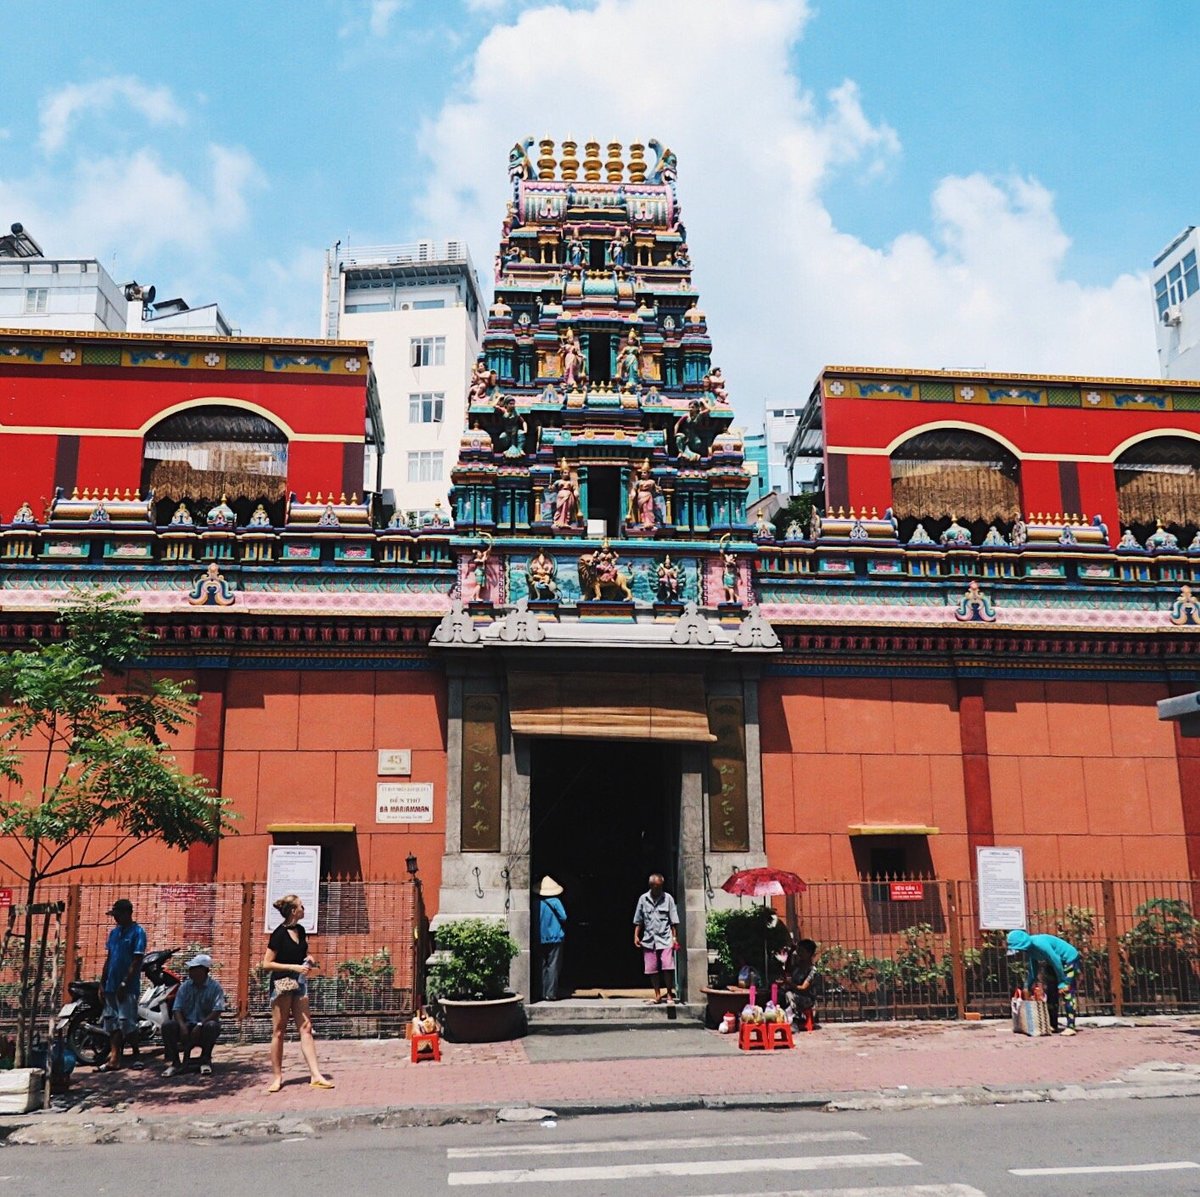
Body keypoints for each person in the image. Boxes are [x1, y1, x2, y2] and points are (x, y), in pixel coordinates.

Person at [264, 893, 334, 1092]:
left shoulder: (301, 930)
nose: (304, 909)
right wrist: (294, 967)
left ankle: (316, 1075)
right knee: (279, 1030)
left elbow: (302, 954)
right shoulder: (278, 934)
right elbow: (266, 963)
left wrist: (308, 959)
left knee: (306, 1027)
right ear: (294, 911)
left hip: (300, 983)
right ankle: (277, 1077)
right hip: (282, 984)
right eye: (301, 906)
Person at [98, 898, 146, 1072]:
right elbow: (109, 958)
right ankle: (114, 1057)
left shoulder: (138, 932)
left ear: (127, 914)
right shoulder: (114, 933)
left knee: (127, 1022)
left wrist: (125, 982)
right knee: (112, 1022)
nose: (115, 919)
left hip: (128, 987)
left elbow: (137, 959)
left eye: (118, 915)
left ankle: (136, 1055)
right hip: (111, 984)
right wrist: (102, 982)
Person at [1006, 929, 1080, 1035]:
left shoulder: (1039, 943)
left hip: (1068, 960)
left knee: (1066, 992)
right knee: (1051, 993)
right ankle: (1053, 1025)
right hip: (1053, 964)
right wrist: (1028, 984)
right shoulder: (1030, 949)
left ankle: (1071, 1026)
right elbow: (1033, 967)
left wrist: (1063, 981)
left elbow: (1056, 960)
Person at [163, 953, 226, 1077]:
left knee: (212, 1026)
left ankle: (205, 1059)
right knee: (167, 1026)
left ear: (204, 971)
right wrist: (182, 1026)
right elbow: (177, 1009)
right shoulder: (185, 987)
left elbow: (217, 1010)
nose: (190, 972)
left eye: (194, 969)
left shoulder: (215, 988)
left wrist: (200, 1024)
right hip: (187, 1025)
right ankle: (175, 1062)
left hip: (204, 1025)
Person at [633, 873, 680, 1005]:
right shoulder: (643, 899)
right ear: (651, 886)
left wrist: (674, 938)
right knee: (652, 968)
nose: (659, 889)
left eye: (660, 887)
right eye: (656, 887)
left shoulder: (668, 898)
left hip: (665, 938)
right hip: (649, 939)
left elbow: (673, 921)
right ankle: (657, 995)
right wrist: (636, 935)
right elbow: (638, 920)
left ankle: (669, 994)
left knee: (667, 966)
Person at [537, 876, 568, 1002]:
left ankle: (541, 992)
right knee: (553, 965)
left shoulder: (535, 902)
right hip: (555, 937)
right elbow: (564, 917)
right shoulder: (555, 901)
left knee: (542, 965)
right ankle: (551, 993)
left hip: (540, 936)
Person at [781, 938, 819, 1032]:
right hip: (794, 994)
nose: (799, 954)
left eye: (801, 951)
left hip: (807, 999)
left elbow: (803, 987)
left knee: (788, 995)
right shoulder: (798, 966)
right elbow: (787, 969)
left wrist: (789, 983)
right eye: (798, 951)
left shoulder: (812, 970)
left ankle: (794, 1021)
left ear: (809, 953)